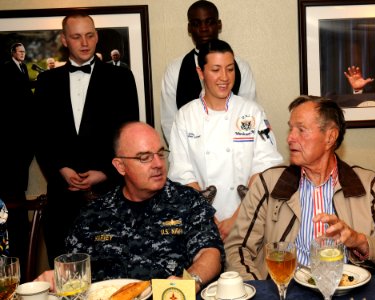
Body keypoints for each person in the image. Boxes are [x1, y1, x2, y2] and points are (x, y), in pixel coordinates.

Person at [224, 95, 375, 280]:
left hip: (346, 289)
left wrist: (358, 241)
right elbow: (237, 249)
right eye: (291, 129)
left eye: (301, 130)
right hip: (288, 291)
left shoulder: (368, 185)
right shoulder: (269, 184)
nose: (290, 138)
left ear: (330, 137)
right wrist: (262, 292)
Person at [35, 122, 224, 293]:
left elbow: (210, 253)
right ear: (120, 166)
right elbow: (73, 270)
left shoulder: (187, 201)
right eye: (144, 157)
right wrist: (56, 277)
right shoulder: (94, 214)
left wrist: (190, 281)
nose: (158, 164)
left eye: (160, 154)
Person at [34, 13, 139, 267]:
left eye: (90, 35)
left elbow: (128, 134)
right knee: (66, 279)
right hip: (62, 200)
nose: (84, 42)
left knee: (114, 275)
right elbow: (39, 135)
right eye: (76, 36)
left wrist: (104, 172)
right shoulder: (46, 82)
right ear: (64, 40)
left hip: (110, 196)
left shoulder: (121, 78)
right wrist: (61, 169)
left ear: (97, 36)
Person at [168, 39, 283, 241]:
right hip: (200, 221)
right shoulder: (185, 116)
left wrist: (237, 217)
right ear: (200, 72)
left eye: (230, 69)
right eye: (216, 70)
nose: (224, 77)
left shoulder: (251, 111)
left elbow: (265, 167)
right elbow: (181, 173)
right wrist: (207, 216)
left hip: (249, 218)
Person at [160, 0, 257, 143]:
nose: (203, 28)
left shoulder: (241, 67)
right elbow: (169, 122)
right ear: (189, 28)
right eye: (196, 23)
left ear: (219, 25)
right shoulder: (174, 69)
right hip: (189, 157)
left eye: (209, 22)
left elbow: (248, 114)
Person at [0, 42, 34, 279]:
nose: (22, 55)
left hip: (11, 181)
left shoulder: (15, 73)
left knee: (15, 265)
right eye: (19, 52)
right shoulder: (5, 71)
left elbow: (25, 120)